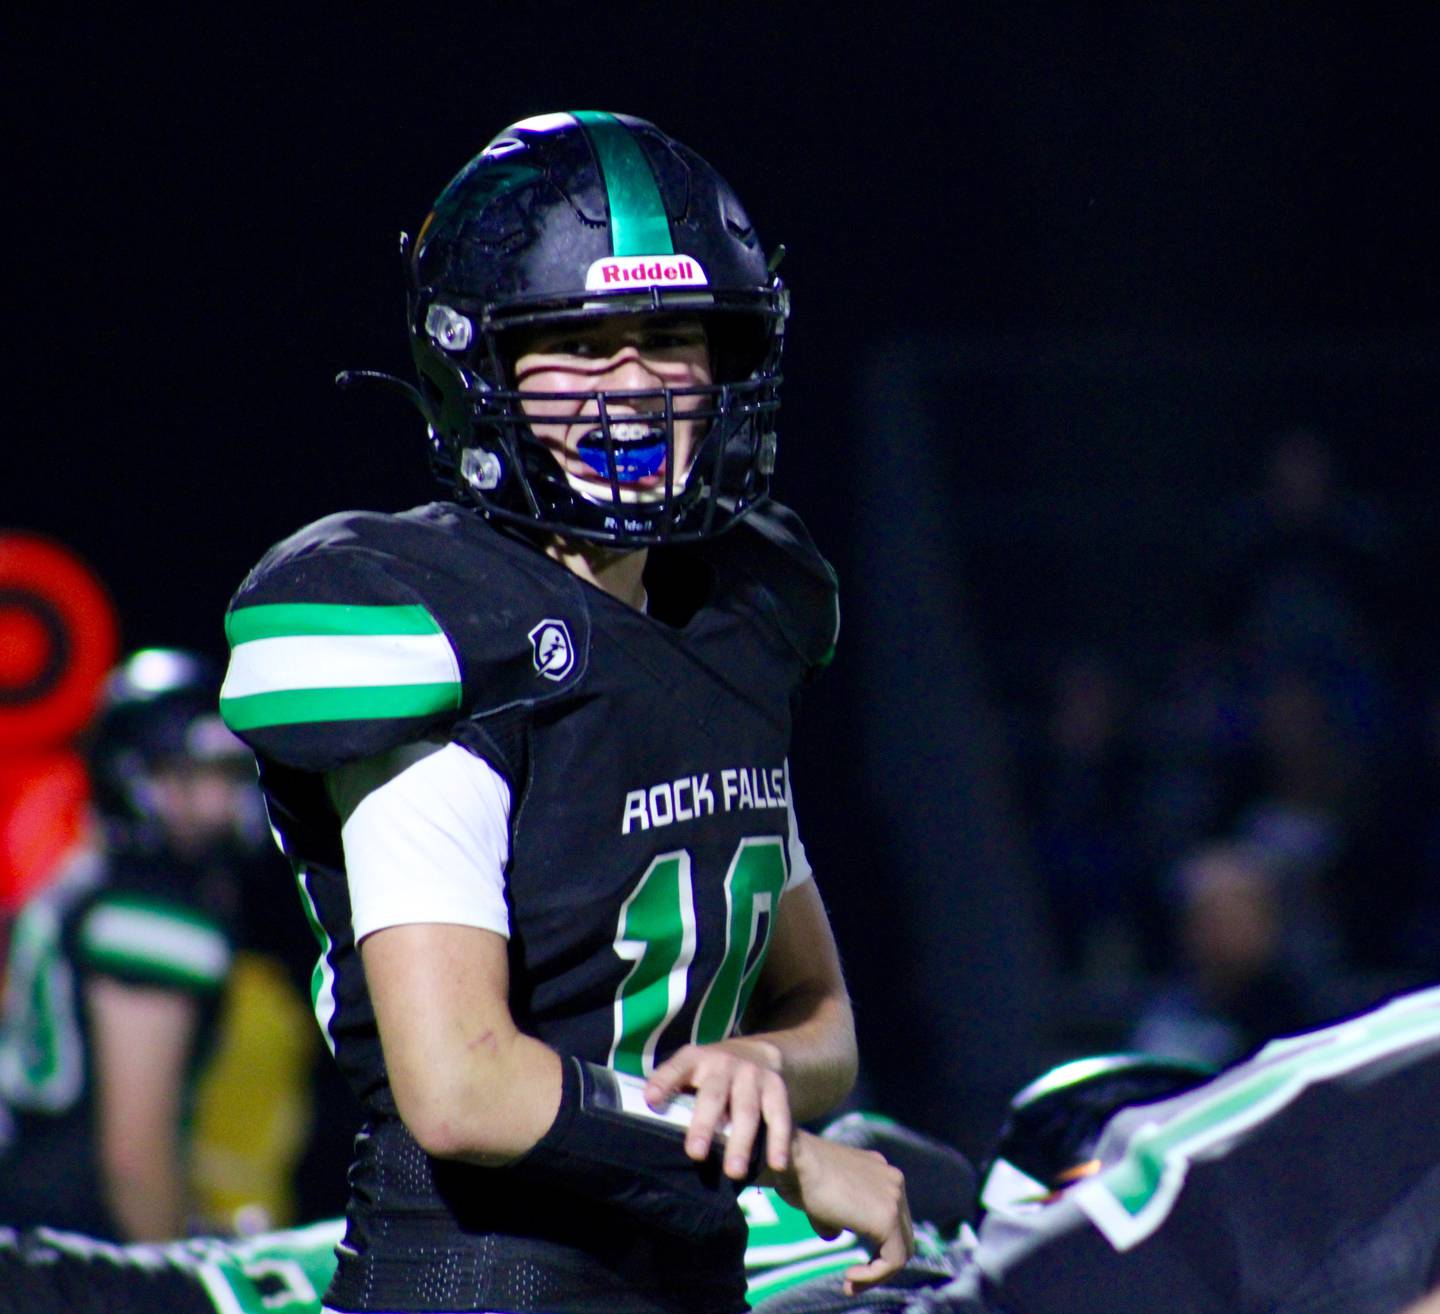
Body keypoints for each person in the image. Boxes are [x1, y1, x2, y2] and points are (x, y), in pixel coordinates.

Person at [217, 110, 911, 1314]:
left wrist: (757, 1068)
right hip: (486, 1279)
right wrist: (781, 1153)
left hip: (686, 1273)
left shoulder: (745, 618)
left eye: (671, 339)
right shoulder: (433, 625)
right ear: (477, 366)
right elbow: (463, 1088)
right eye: (581, 349)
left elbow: (823, 1022)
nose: (635, 387)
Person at [0, 648, 253, 1241]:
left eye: (229, 776)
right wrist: (173, 1273)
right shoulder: (153, 911)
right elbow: (133, 1159)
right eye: (194, 776)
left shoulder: (82, 877)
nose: (223, 804)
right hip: (74, 1246)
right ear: (134, 779)